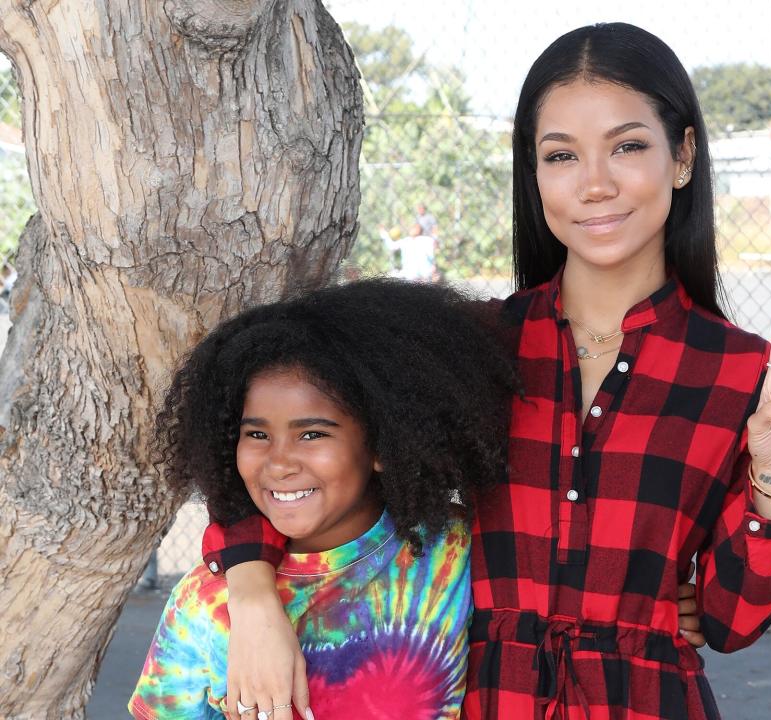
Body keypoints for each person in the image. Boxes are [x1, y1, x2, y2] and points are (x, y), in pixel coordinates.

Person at [202, 23, 771, 720]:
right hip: (477, 699)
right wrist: (253, 596)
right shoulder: (466, 346)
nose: (595, 185)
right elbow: (291, 471)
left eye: (627, 146)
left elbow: (732, 621)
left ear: (682, 157)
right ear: (533, 172)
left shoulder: (741, 373)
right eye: (561, 155)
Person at [128, 279, 518, 720]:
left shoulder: (454, 549)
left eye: (312, 434)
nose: (278, 463)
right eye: (257, 434)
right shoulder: (204, 606)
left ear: (381, 445)